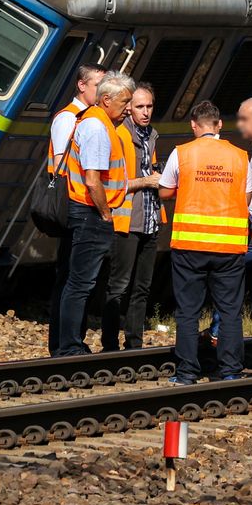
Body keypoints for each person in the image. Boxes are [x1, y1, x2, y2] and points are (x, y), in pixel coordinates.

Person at [159, 100, 252, 384]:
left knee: (188, 312)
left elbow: (164, 191)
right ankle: (230, 371)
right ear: (219, 124)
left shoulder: (182, 153)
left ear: (193, 125)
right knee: (230, 311)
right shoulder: (240, 156)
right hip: (228, 246)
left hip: (190, 246)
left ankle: (187, 373)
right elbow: (247, 196)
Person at [55, 71, 134, 356]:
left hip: (89, 212)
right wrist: (105, 214)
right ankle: (69, 347)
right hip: (91, 213)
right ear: (106, 99)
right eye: (125, 102)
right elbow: (92, 180)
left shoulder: (99, 123)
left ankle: (71, 344)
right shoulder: (98, 128)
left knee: (80, 283)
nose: (128, 108)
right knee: (80, 284)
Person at [208, 97, 252, 344]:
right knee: (231, 275)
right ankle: (218, 331)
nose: (239, 125)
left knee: (231, 274)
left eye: (244, 119)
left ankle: (219, 332)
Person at [47, 62, 105, 355]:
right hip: (74, 205)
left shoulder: (89, 118)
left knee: (72, 277)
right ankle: (63, 344)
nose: (103, 92)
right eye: (98, 86)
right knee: (70, 279)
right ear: (82, 85)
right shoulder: (68, 118)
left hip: (79, 205)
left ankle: (67, 342)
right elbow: (61, 165)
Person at [102, 83, 163, 351]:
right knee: (118, 286)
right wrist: (146, 181)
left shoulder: (151, 135)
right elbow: (112, 183)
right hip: (126, 223)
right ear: (129, 108)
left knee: (142, 288)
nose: (145, 111)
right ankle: (109, 344)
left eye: (149, 106)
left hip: (150, 221)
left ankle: (134, 344)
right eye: (140, 106)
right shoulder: (119, 135)